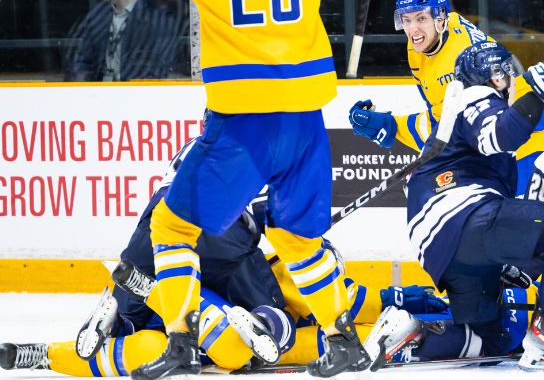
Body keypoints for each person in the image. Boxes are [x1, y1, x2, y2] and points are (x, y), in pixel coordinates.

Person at [56, 0, 419, 378]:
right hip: (305, 125)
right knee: (299, 242)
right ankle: (342, 339)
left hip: (243, 127)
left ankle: (180, 339)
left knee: (171, 227)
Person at [0, 137, 448, 376]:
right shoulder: (260, 154)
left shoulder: (209, 151)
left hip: (173, 249)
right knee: (250, 335)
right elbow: (286, 231)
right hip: (218, 266)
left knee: (150, 341)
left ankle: (94, 323)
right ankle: (266, 325)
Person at [372, 40, 544, 370]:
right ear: (496, 76)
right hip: (462, 218)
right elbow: (501, 134)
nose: (513, 81)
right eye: (509, 74)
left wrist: (511, 258)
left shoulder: (454, 113)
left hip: (445, 250)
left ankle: (412, 337)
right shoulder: (475, 96)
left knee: (497, 337)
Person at [348, 0, 544, 195]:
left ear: (440, 18)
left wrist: (390, 126)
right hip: (488, 138)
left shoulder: (460, 62)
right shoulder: (422, 42)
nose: (412, 29)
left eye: (421, 18)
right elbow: (440, 115)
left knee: (440, 193)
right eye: (406, 20)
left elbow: (446, 128)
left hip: (523, 143)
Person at [64, 0, 187, 81]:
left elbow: (153, 74)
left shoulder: (158, 22)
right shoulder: (99, 14)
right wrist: (86, 83)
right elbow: (77, 61)